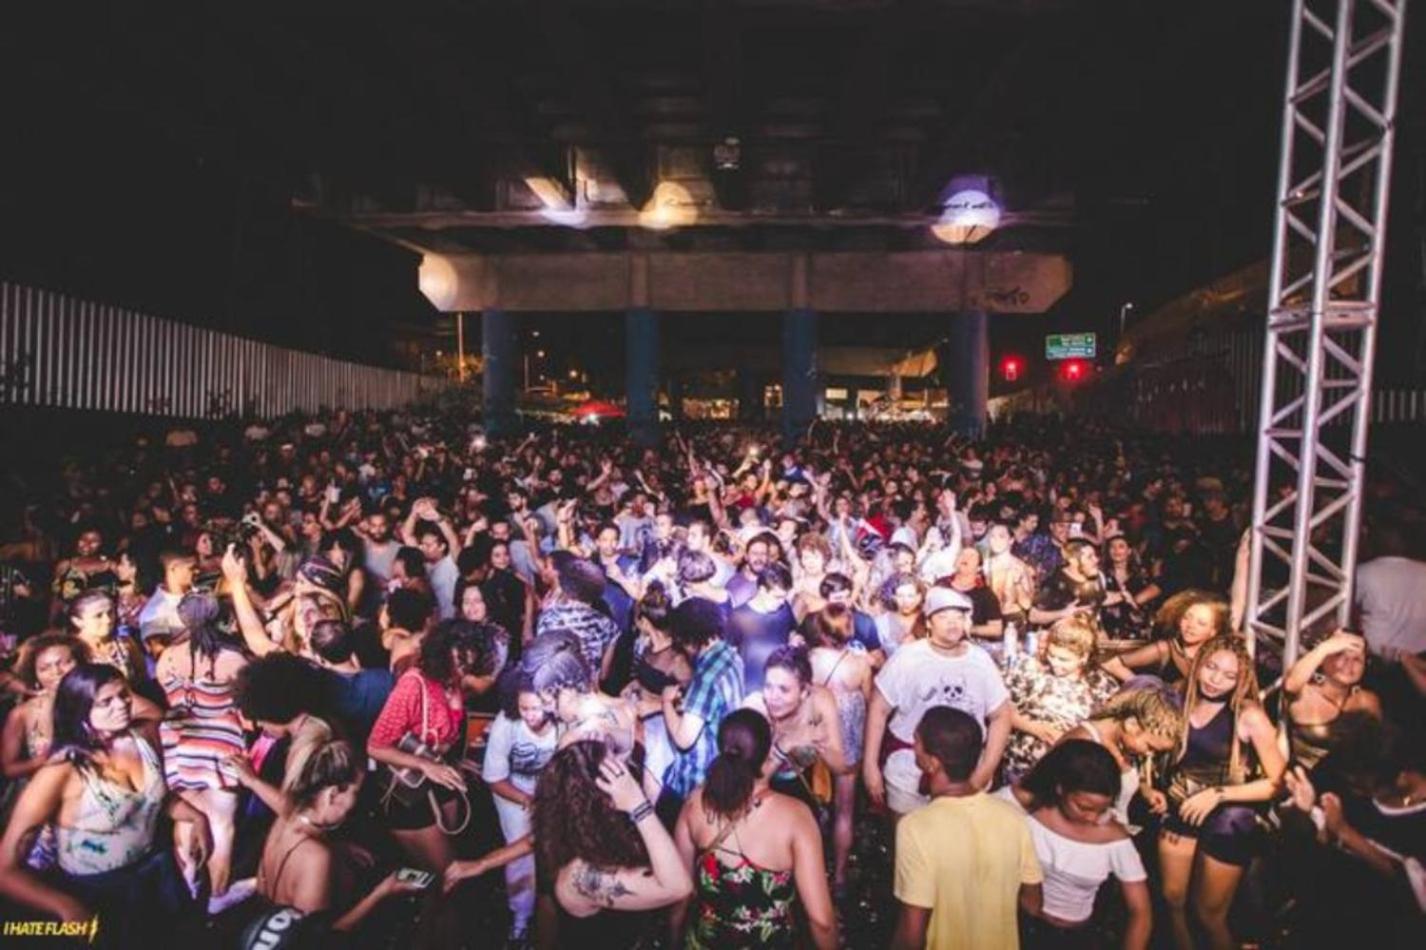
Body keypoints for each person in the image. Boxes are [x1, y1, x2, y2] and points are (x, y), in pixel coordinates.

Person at [0, 664, 208, 949]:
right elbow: (5, 870)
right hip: (99, 893)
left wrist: (196, 816)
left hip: (156, 875)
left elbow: (152, 799)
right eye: (106, 702)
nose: (121, 705)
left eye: (124, 695)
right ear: (79, 709)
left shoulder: (143, 737)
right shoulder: (61, 772)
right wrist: (64, 905)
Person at [1159, 635, 1286, 950]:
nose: (1216, 680)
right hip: (1180, 809)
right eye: (1211, 667)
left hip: (1227, 818)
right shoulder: (1177, 695)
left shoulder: (1248, 715)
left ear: (1240, 680)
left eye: (1229, 675)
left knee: (1208, 915)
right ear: (1198, 663)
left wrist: (1219, 794)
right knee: (1173, 901)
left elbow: (1279, 782)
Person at [671, 708, 837, 949]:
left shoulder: (695, 804)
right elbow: (821, 921)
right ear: (766, 752)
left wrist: (673, 938)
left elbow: (680, 893)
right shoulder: (796, 817)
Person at [890, 706, 1042, 950]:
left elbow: (912, 930)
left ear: (932, 763)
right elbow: (1032, 904)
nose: (913, 746)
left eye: (917, 741)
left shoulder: (916, 827)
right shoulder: (1013, 818)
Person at [865, 587, 1013, 817]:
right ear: (929, 622)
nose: (952, 623)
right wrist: (870, 765)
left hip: (967, 773)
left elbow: (1001, 715)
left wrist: (985, 770)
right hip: (909, 770)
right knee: (909, 833)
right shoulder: (908, 657)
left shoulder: (980, 660)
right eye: (943, 616)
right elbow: (878, 709)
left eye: (959, 616)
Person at [252, 737, 423, 933]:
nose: (355, 802)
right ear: (332, 795)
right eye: (355, 792)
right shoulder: (316, 857)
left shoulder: (284, 822)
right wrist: (382, 893)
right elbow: (321, 940)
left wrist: (338, 848)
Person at [533, 740, 693, 946]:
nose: (622, 772)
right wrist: (638, 805)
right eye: (614, 770)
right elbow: (679, 887)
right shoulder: (579, 876)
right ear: (602, 799)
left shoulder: (560, 831)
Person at [1006, 740, 1152, 950]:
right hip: (1022, 929)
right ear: (1060, 789)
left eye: (1102, 810)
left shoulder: (1115, 840)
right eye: (1084, 807)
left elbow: (1141, 912)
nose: (1092, 818)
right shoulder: (1030, 816)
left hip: (1078, 939)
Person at [155, 592, 249, 899]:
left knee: (187, 817)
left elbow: (167, 698)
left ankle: (188, 885)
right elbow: (246, 708)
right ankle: (218, 895)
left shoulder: (167, 657)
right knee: (222, 823)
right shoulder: (232, 659)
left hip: (179, 744)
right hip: (220, 745)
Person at [367, 620, 478, 873]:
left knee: (448, 866)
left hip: (438, 778)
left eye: (468, 664)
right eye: (459, 662)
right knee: (449, 872)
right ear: (441, 653)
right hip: (408, 791)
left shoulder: (451, 680)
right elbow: (375, 747)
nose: (463, 670)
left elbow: (441, 735)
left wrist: (454, 760)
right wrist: (425, 764)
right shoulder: (413, 684)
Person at [481, 683, 558, 944]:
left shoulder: (564, 721)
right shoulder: (507, 722)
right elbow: (494, 779)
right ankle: (521, 916)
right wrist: (528, 801)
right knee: (519, 853)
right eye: (523, 708)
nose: (530, 715)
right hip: (513, 791)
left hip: (553, 793)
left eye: (536, 708)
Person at [659, 597, 745, 827]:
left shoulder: (705, 677)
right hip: (722, 771)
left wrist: (666, 702)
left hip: (694, 778)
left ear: (688, 639)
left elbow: (684, 739)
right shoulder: (732, 655)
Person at [805, 606, 873, 893]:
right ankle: (841, 876)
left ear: (821, 629)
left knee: (810, 807)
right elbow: (869, 701)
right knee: (844, 812)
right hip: (848, 746)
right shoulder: (860, 664)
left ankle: (811, 870)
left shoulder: (810, 659)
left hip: (814, 739)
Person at [1003, 615, 1117, 782]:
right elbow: (1002, 710)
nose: (1055, 663)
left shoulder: (1100, 685)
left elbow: (1107, 729)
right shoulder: (1030, 671)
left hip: (1073, 771)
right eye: (1051, 655)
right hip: (1024, 764)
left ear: (1083, 657)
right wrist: (1038, 729)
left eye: (1064, 659)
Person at [1060, 687, 1185, 830]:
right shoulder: (1083, 742)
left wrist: (1145, 790)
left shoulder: (1126, 746)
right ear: (1131, 724)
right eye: (1150, 747)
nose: (1150, 754)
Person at [742, 646, 848, 802]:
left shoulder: (819, 700)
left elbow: (840, 767)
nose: (773, 697)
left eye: (783, 690)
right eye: (768, 686)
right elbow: (750, 784)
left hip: (802, 784)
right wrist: (786, 744)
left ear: (804, 692)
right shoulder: (756, 709)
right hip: (760, 791)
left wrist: (818, 742)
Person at [622, 582, 692, 788]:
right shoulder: (648, 646)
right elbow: (647, 678)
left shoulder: (677, 660)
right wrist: (633, 685)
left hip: (662, 728)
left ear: (645, 622)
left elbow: (689, 702)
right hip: (639, 719)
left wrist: (655, 706)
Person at [1284, 628, 1381, 772]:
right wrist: (1325, 647)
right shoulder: (1306, 695)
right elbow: (1291, 684)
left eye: (1357, 659)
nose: (1349, 664)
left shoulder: (1367, 701)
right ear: (1323, 659)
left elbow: (1380, 750)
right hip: (1309, 781)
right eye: (1340, 655)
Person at [1102, 590, 1228, 689]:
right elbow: (1110, 664)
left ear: (1213, 631)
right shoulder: (1165, 648)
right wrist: (1146, 690)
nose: (1190, 626)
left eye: (1201, 623)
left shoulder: (1216, 658)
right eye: (1186, 617)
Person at [727, 564, 797, 694]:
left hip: (780, 686)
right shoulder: (738, 617)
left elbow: (792, 631)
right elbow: (729, 654)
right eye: (777, 597)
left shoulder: (784, 608)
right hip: (751, 690)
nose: (782, 601)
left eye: (784, 597)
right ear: (762, 590)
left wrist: (795, 641)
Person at [1099, 534, 1159, 641]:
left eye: (1121, 546)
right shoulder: (1101, 575)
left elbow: (1148, 610)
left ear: (1129, 551)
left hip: (1135, 632)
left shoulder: (1141, 577)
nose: (1116, 550)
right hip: (1106, 632)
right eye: (1112, 547)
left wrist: (1132, 602)